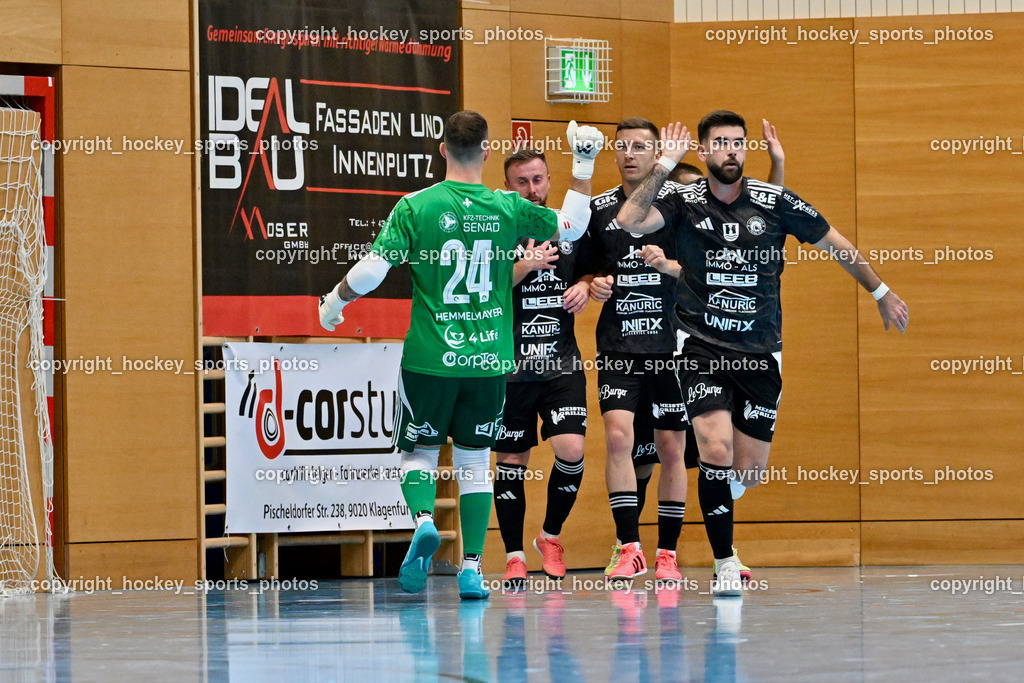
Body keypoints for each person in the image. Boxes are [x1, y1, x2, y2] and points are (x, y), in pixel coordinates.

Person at [616, 110, 908, 596]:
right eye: (720, 142)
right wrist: (665, 162)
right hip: (701, 346)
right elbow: (629, 220)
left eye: (738, 142)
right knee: (714, 447)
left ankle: (723, 498)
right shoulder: (685, 201)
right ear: (705, 151)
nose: (731, 150)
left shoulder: (775, 201)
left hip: (760, 352)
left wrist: (881, 292)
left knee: (747, 471)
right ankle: (725, 560)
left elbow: (837, 244)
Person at [317, 111, 603, 599]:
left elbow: (372, 269)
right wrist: (583, 163)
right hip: (490, 358)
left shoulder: (415, 206)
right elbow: (572, 227)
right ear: (488, 152)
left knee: (419, 453)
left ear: (443, 147)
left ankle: (424, 519)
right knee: (473, 463)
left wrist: (335, 302)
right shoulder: (507, 207)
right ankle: (472, 568)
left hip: (430, 357)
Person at [582, 117, 690, 582]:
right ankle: (629, 547)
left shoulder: (680, 205)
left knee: (669, 447)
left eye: (640, 147)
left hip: (672, 347)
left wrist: (669, 267)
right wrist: (594, 283)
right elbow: (582, 269)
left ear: (656, 154)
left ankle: (667, 551)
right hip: (619, 344)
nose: (629, 154)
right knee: (620, 438)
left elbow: (704, 269)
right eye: (621, 147)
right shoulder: (599, 209)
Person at [492, 149, 592, 589]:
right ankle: (513, 555)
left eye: (538, 180)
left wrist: (588, 286)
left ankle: (549, 537)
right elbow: (487, 290)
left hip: (561, 363)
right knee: (512, 459)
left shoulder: (567, 227)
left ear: (550, 180)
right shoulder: (498, 227)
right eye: (521, 182)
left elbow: (595, 270)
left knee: (571, 449)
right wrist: (524, 265)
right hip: (510, 367)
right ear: (508, 186)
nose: (532, 190)